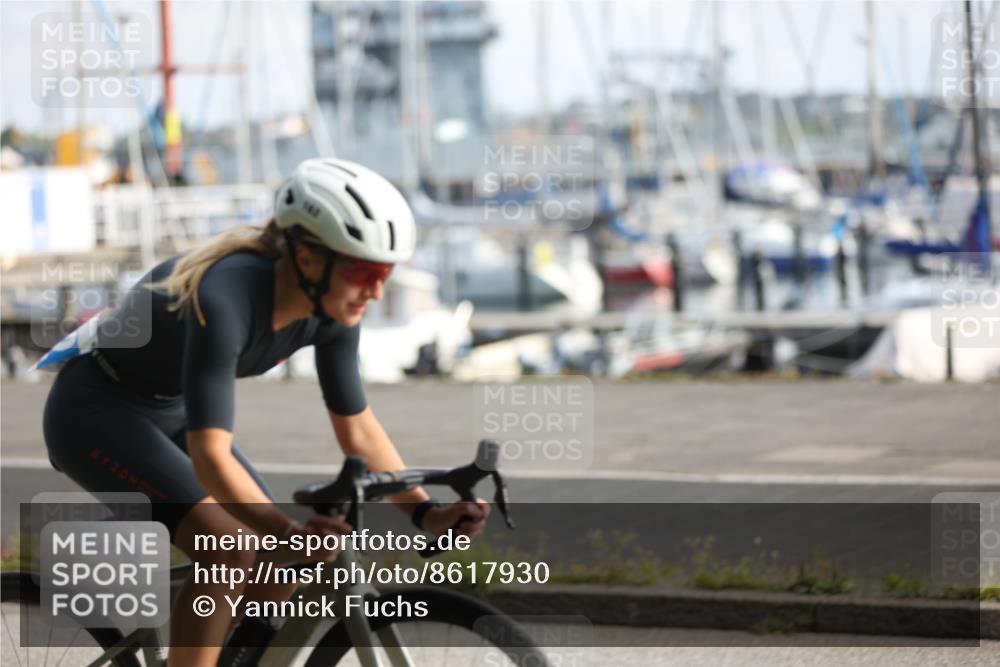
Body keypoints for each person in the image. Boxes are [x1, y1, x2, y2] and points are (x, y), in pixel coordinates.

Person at [42, 159, 490, 666]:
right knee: (230, 548)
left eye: (386, 273)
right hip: (95, 411)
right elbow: (210, 454)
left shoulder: (334, 308)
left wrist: (425, 513)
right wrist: (286, 532)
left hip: (169, 410)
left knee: (282, 568)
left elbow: (358, 427)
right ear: (307, 257)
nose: (378, 290)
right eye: (365, 271)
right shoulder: (225, 297)